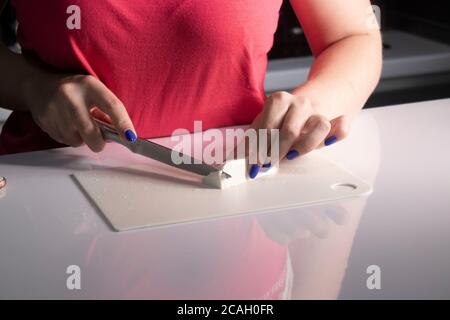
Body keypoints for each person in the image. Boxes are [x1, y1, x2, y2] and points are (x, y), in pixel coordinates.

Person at [0, 0, 382, 179]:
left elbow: (352, 36)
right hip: (49, 191)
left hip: (236, 194)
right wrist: (34, 87)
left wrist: (311, 105)